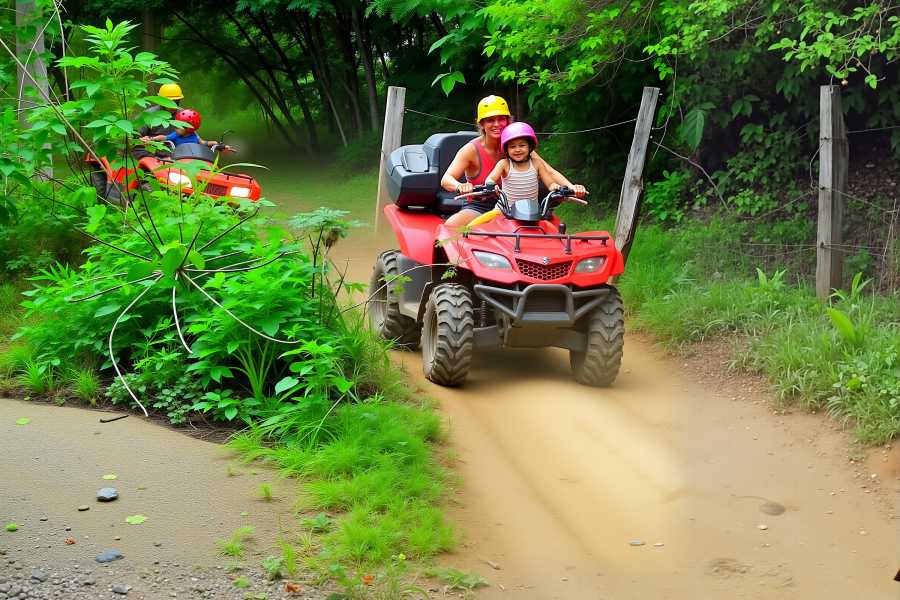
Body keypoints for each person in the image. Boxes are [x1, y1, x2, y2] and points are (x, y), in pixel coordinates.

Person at [440, 95, 574, 228]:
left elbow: (549, 171)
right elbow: (446, 179)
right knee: (451, 226)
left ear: (508, 121)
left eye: (501, 119)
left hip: (516, 206)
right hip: (479, 206)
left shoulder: (518, 148)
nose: (497, 124)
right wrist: (460, 186)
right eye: (490, 120)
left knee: (553, 231)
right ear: (482, 124)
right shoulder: (471, 150)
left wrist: (572, 188)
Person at [484, 121, 587, 203]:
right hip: (505, 211)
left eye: (522, 145)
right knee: (481, 225)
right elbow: (491, 178)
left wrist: (558, 188)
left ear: (530, 147)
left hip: (531, 212)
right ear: (506, 150)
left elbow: (550, 183)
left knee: (552, 227)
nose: (517, 149)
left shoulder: (537, 163)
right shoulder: (504, 164)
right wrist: (491, 184)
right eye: (512, 146)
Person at [133, 83, 184, 160]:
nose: (173, 104)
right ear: (161, 101)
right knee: (138, 151)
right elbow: (133, 136)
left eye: (176, 101)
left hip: (175, 149)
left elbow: (193, 135)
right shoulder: (148, 115)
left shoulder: (184, 114)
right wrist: (141, 139)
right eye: (169, 102)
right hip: (153, 149)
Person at [140, 108, 231, 151]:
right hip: (179, 160)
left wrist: (219, 145)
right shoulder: (175, 135)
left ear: (188, 129)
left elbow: (205, 143)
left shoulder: (194, 136)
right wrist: (151, 139)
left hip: (194, 159)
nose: (176, 126)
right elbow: (163, 137)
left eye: (179, 125)